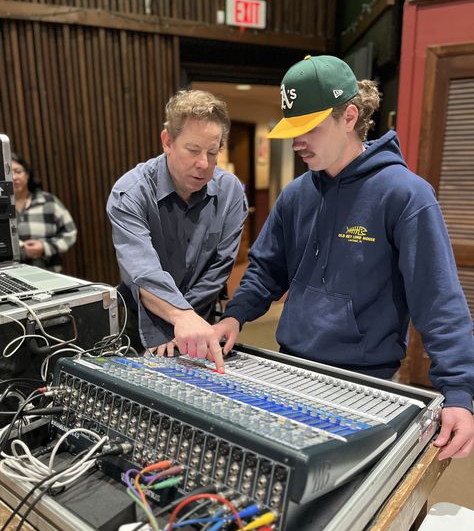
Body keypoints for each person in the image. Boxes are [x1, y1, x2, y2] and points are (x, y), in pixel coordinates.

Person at [210, 54, 474, 460]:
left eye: (308, 129)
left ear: (349, 116)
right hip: (290, 367)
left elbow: (437, 299)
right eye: (292, 130)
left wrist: (459, 391)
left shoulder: (406, 195)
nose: (296, 143)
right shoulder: (297, 194)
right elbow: (266, 269)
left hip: (366, 383)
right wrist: (235, 314)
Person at [106, 89, 248, 364]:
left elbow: (219, 269)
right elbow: (143, 272)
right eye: (193, 150)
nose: (204, 164)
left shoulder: (230, 191)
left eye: (212, 151)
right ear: (167, 141)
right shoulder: (130, 192)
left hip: (201, 325)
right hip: (140, 324)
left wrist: (186, 319)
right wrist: (178, 318)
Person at [11, 153, 77, 272]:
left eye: (18, 171)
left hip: (49, 272)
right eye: (9, 173)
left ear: (27, 174)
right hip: (13, 277)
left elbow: (70, 232)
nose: (14, 177)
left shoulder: (48, 202)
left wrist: (44, 247)